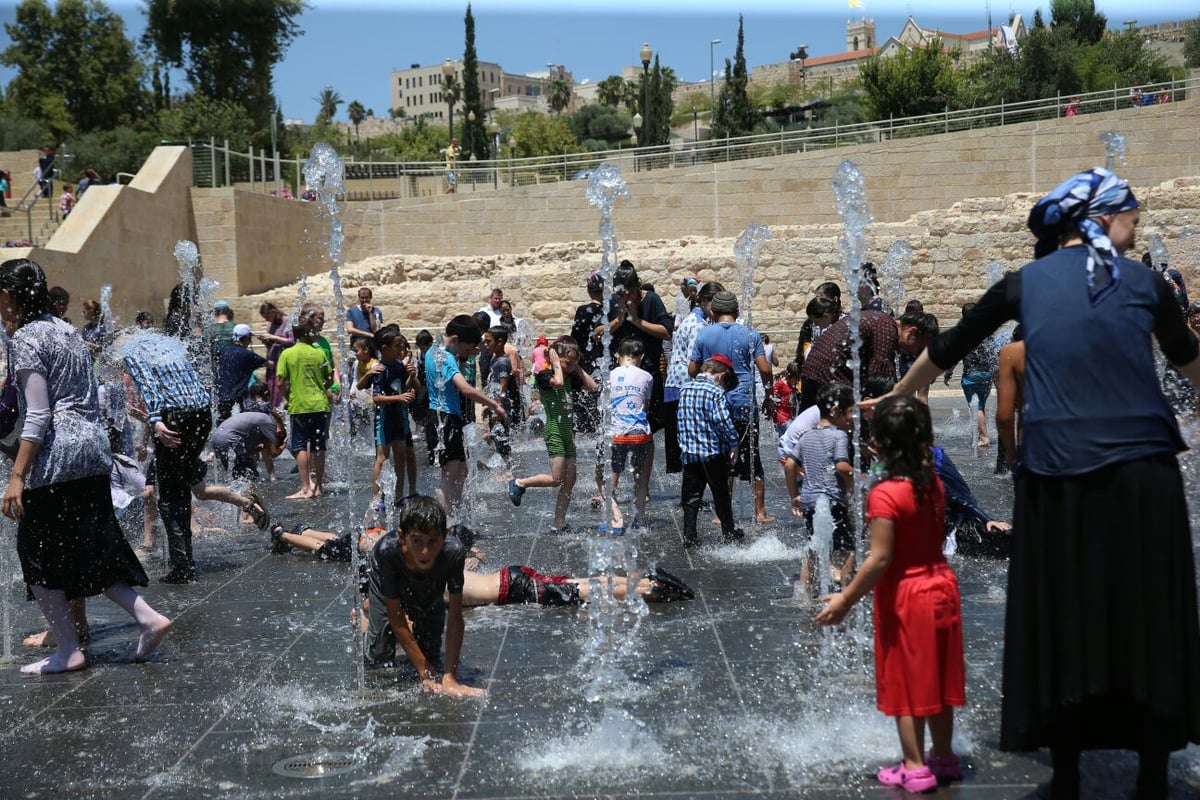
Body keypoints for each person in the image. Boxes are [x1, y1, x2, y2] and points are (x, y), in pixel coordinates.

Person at [878, 167, 1200, 798]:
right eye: (1130, 210)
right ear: (1102, 217)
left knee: (1064, 615)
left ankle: (1070, 771)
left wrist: (895, 395)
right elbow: (1193, 365)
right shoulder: (1148, 283)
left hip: (1059, 476)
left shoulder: (1026, 284)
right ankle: (1156, 773)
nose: (1138, 220)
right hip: (1143, 477)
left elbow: (947, 347)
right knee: (1148, 613)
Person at [0, 258, 172, 674]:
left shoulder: (26, 337)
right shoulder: (65, 328)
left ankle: (68, 650)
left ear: (7, 296)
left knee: (35, 554)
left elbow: (39, 415)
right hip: (92, 449)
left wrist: (17, 476)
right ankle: (148, 618)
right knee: (90, 546)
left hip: (55, 455)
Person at [816, 395, 965, 794]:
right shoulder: (931, 482)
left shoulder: (886, 494)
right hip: (942, 586)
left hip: (908, 595)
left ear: (877, 444)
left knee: (906, 684)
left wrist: (844, 600)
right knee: (937, 678)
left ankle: (915, 767)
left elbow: (880, 559)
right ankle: (945, 757)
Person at [123, 331, 269, 583]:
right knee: (190, 487)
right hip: (200, 414)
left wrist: (156, 421)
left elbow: (148, 386)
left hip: (173, 418)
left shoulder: (132, 351)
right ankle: (244, 503)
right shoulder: (169, 349)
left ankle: (183, 566)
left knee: (170, 497)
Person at [362, 495, 484, 696]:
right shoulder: (387, 552)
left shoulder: (453, 553)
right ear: (402, 536)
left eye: (433, 541)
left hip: (428, 579)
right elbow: (396, 617)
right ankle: (366, 618)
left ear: (444, 536)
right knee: (379, 658)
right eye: (417, 541)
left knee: (431, 654)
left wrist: (450, 677)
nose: (425, 551)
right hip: (389, 573)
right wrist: (426, 673)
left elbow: (455, 617)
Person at [689, 291, 776, 525]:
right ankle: (760, 512)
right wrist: (769, 395)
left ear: (714, 313)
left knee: (721, 459)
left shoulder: (704, 334)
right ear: (736, 313)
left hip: (716, 404)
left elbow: (692, 369)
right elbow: (765, 370)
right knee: (752, 457)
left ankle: (721, 513)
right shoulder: (750, 333)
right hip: (744, 405)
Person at [507, 337, 598, 534]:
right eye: (568, 363)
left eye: (574, 363)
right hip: (554, 432)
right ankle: (520, 482)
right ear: (555, 357)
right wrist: (556, 362)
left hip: (568, 435)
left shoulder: (570, 375)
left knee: (570, 480)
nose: (571, 367)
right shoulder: (545, 374)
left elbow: (592, 387)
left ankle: (559, 523)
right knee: (557, 479)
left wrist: (577, 368)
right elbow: (557, 382)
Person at [426, 315, 507, 516]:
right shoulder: (446, 358)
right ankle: (442, 525)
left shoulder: (433, 351)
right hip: (446, 418)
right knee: (449, 475)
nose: (469, 352)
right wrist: (494, 404)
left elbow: (451, 377)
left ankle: (455, 517)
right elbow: (466, 389)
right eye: (467, 348)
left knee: (461, 471)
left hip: (441, 417)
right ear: (455, 339)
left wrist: (463, 356)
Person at [799, 309, 939, 411]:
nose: (915, 354)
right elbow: (878, 381)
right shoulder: (888, 331)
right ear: (911, 332)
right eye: (919, 348)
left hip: (813, 370)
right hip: (828, 374)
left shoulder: (881, 321)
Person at [608, 260, 673, 476]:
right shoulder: (615, 302)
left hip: (648, 378)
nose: (626, 298)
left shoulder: (651, 300)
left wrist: (636, 320)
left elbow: (666, 331)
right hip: (621, 381)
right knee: (618, 431)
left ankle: (642, 482)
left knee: (647, 430)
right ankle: (613, 487)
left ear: (637, 286)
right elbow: (601, 333)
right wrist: (618, 320)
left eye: (629, 293)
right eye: (621, 294)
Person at [793, 383, 856, 597]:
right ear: (836, 411)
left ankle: (805, 591)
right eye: (850, 413)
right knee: (848, 549)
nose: (852, 419)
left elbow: (790, 465)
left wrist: (795, 495)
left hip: (810, 501)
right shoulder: (839, 436)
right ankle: (847, 594)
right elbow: (841, 466)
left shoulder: (805, 436)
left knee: (812, 546)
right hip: (832, 500)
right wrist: (855, 481)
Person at [677, 355, 742, 547]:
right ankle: (729, 533)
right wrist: (734, 443)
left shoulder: (685, 388)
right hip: (712, 453)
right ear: (721, 376)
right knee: (720, 494)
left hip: (689, 453)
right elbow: (722, 421)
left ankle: (689, 536)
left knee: (691, 497)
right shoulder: (715, 392)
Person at [664, 280, 721, 474]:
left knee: (686, 445)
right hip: (684, 388)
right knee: (693, 444)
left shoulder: (693, 319)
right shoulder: (699, 325)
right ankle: (691, 500)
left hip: (675, 385)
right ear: (704, 301)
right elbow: (694, 364)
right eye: (716, 303)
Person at [602, 337, 654, 533]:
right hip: (640, 435)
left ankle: (616, 520)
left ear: (618, 357)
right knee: (640, 480)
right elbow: (645, 407)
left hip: (617, 435)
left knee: (610, 482)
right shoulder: (647, 376)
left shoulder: (609, 376)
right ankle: (639, 520)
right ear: (640, 357)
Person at [275, 320, 332, 500]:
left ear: (294, 334)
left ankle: (306, 487)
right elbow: (330, 379)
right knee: (319, 446)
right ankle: (319, 487)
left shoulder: (287, 353)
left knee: (300, 445)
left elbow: (279, 381)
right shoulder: (319, 353)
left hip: (299, 406)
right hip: (320, 404)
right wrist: (320, 388)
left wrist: (289, 396)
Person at [369, 325, 418, 502]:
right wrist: (399, 397)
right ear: (385, 349)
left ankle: (399, 495)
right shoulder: (380, 369)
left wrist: (411, 378)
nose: (401, 350)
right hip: (385, 419)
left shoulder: (399, 366)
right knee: (382, 459)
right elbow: (376, 398)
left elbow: (406, 388)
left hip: (400, 418)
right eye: (397, 346)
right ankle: (377, 498)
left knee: (401, 457)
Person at [942, 303, 994, 447]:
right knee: (980, 406)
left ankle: (984, 437)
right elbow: (993, 353)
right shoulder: (987, 331)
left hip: (970, 376)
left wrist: (948, 374)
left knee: (976, 407)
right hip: (986, 374)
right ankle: (980, 433)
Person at [569, 274, 604, 436]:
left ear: (589, 291)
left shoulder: (583, 311)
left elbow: (574, 339)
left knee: (581, 408)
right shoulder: (611, 311)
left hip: (584, 365)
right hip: (604, 365)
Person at [211, 410, 286, 481]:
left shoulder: (258, 424)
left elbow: (247, 453)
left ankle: (235, 493)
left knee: (234, 475)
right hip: (230, 439)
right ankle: (247, 493)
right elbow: (273, 453)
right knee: (248, 474)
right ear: (279, 433)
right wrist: (284, 443)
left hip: (215, 438)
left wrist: (257, 450)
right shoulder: (270, 424)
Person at [215, 323, 267, 422]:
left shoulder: (222, 351)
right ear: (247, 337)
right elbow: (270, 364)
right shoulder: (249, 355)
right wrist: (268, 345)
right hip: (239, 398)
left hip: (221, 396)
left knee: (222, 424)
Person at [994, 324, 1025, 474]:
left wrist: (1012, 457)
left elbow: (1004, 418)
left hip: (1030, 436)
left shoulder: (1011, 354)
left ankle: (1002, 467)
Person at [257, 301, 294, 408]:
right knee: (272, 390)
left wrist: (273, 337)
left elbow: (291, 341)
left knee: (282, 386)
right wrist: (265, 340)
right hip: (273, 361)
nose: (266, 320)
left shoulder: (287, 321)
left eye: (267, 316)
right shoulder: (270, 325)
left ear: (273, 312)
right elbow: (271, 345)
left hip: (283, 360)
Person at [771, 360, 801, 438]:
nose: (796, 381)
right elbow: (773, 399)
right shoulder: (780, 384)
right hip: (781, 417)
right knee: (791, 436)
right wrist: (770, 412)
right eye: (794, 379)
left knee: (785, 439)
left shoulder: (793, 386)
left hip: (789, 417)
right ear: (789, 375)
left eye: (798, 379)